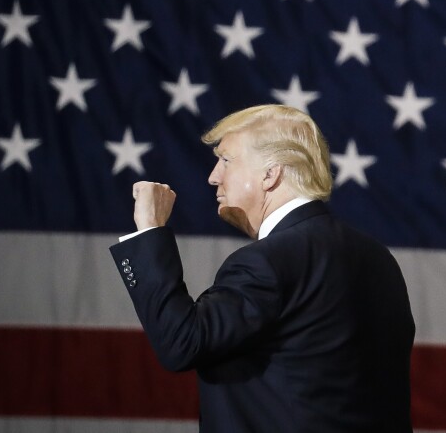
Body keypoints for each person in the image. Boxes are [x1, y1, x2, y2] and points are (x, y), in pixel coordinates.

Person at [109, 104, 415, 432]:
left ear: (271, 174)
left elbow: (181, 342)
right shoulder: (380, 259)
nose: (213, 176)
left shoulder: (266, 261)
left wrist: (149, 231)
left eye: (226, 159)